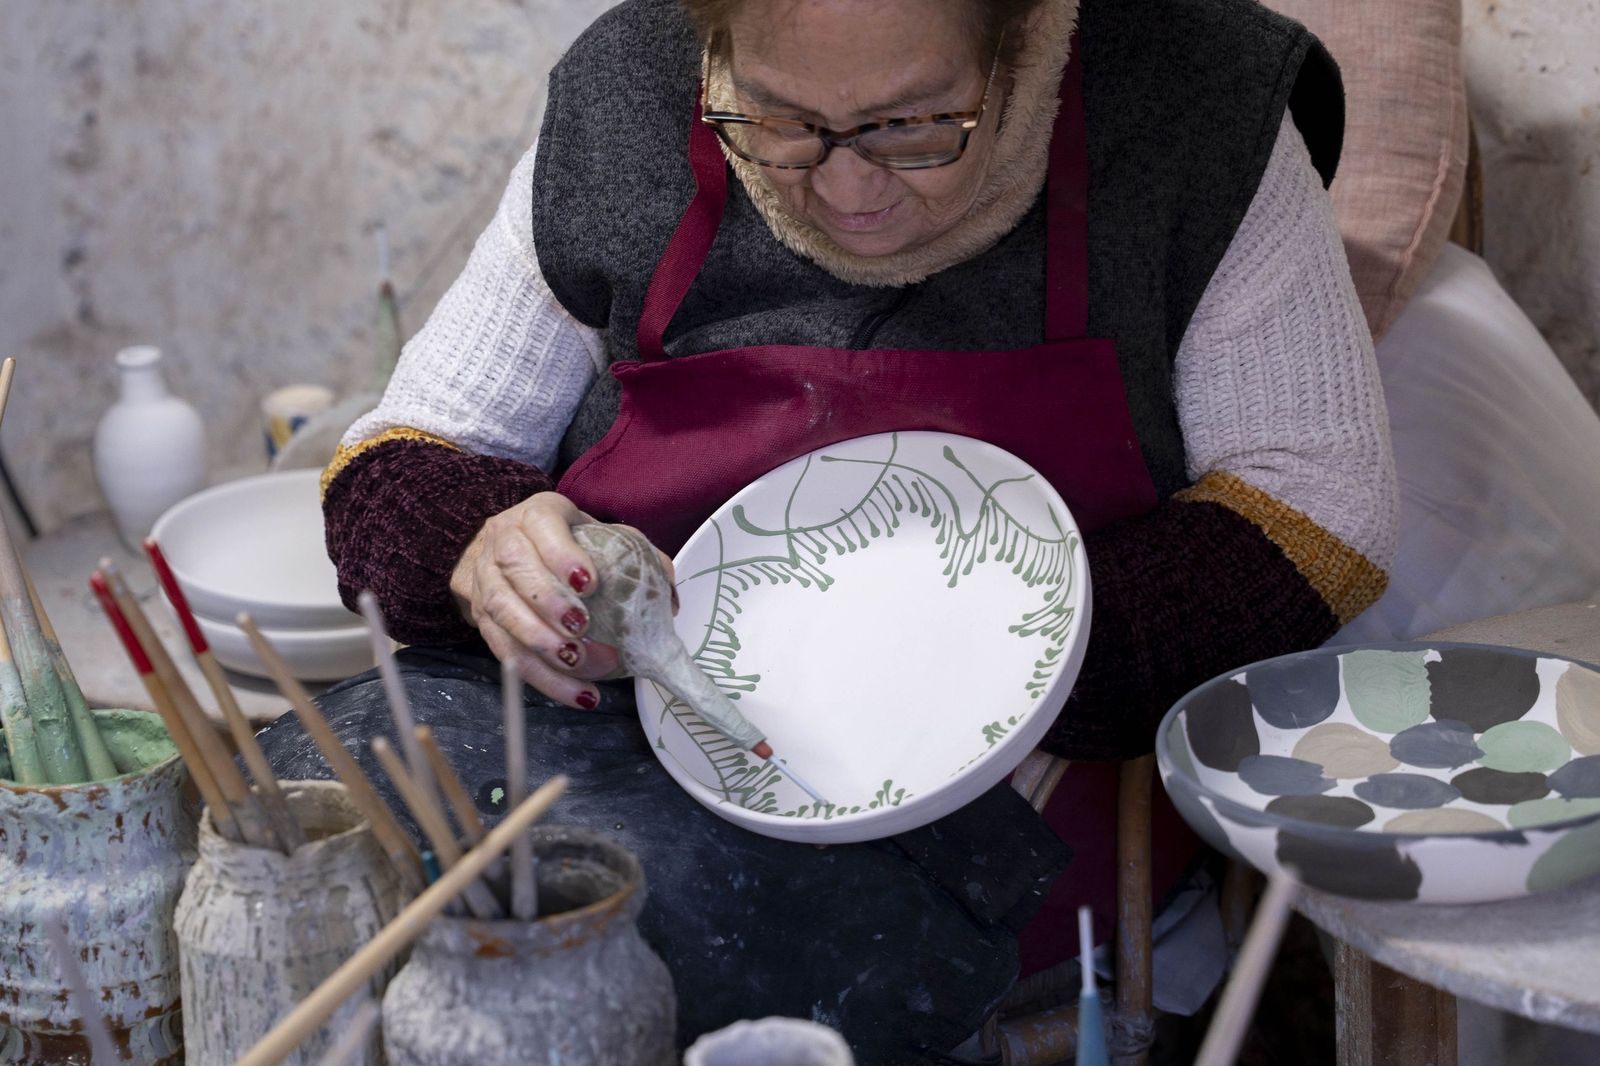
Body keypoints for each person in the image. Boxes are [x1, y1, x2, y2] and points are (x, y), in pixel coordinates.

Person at [259, 0, 1397, 1059]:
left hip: (979, 788)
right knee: (301, 834)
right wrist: (484, 543)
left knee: (614, 965)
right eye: (783, 123)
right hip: (603, 716)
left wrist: (1012, 658)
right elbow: (407, 450)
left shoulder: (1186, 98)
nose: (848, 191)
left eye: (912, 126)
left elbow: (1320, 502)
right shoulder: (630, 89)